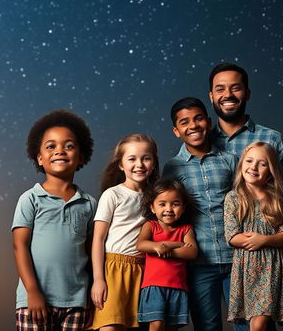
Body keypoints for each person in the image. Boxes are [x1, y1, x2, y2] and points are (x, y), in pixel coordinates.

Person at [162, 98, 243, 331]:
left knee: (246, 324)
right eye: (184, 122)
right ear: (177, 131)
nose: (193, 126)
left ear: (208, 122)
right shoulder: (173, 168)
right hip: (199, 263)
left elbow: (245, 203)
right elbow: (168, 214)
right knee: (207, 326)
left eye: (198, 118)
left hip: (236, 258)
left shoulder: (230, 161)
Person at [12, 109, 96, 331]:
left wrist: (89, 296)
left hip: (77, 303)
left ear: (81, 156)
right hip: (35, 301)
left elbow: (92, 253)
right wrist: (33, 292)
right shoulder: (30, 199)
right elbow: (19, 246)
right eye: (51, 146)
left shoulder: (89, 204)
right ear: (39, 158)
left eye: (68, 146)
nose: (60, 151)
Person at [208, 62, 283, 212]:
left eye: (236, 88)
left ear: (247, 94)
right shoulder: (199, 145)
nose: (228, 94)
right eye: (220, 89)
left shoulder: (273, 140)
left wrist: (271, 236)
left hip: (262, 234)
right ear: (211, 97)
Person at [90, 134, 159, 331]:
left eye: (146, 158)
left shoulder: (155, 197)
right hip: (113, 268)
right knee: (110, 326)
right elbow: (98, 238)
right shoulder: (112, 195)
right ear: (120, 164)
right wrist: (98, 279)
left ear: (154, 163)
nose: (140, 164)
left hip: (143, 269)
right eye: (132, 159)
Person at [224, 142, 283, 330]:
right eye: (249, 160)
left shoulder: (278, 200)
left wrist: (264, 240)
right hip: (245, 267)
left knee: (259, 322)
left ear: (271, 170)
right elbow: (232, 236)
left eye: (262, 163)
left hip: (272, 267)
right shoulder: (234, 197)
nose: (254, 167)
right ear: (241, 165)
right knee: (254, 323)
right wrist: (252, 240)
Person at [136, 178, 198, 330]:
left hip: (178, 287)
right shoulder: (150, 226)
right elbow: (141, 244)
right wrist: (166, 246)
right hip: (154, 286)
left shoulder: (186, 229)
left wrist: (167, 246)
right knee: (156, 325)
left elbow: (191, 252)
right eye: (162, 204)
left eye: (175, 204)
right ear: (152, 207)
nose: (169, 209)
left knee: (172, 327)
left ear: (183, 208)